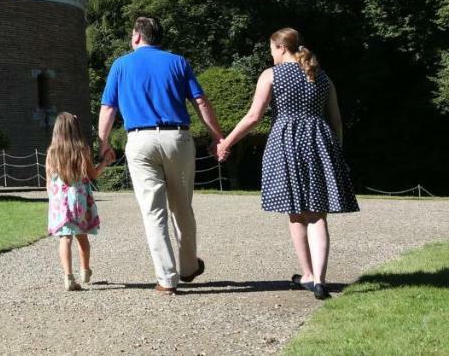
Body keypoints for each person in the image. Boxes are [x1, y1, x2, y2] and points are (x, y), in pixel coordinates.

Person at [217, 28, 358, 300]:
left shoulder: (271, 75)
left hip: (286, 143)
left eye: (271, 49)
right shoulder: (323, 77)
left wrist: (227, 142)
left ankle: (307, 274)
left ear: (281, 47)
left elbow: (253, 116)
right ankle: (319, 279)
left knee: (295, 212)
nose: (270, 54)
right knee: (317, 214)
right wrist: (336, 150)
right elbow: (336, 120)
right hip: (320, 143)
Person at [97, 17, 225, 294]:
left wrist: (103, 143)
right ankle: (189, 267)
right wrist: (217, 136)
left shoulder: (121, 65)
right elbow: (200, 101)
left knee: (152, 211)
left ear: (136, 37)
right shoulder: (178, 62)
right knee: (182, 206)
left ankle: (167, 279)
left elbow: (108, 109)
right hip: (177, 138)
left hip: (140, 140)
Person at [46, 112, 108, 291]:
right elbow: (93, 174)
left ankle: (68, 277)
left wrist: (54, 200)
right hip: (78, 201)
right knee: (82, 238)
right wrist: (105, 162)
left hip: (60, 203)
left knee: (65, 239)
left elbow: (49, 183)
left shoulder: (52, 152)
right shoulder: (81, 149)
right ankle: (85, 270)